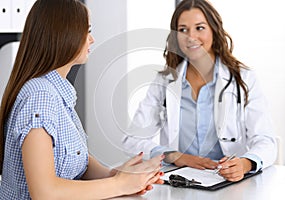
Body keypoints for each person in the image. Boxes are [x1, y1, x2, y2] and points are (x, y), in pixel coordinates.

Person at [0, 0, 164, 199]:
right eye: (87, 31)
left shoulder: (57, 92)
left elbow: (76, 159)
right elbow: (44, 193)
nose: (92, 39)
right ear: (63, 34)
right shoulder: (40, 95)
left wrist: (116, 176)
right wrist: (118, 185)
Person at [122, 0, 277, 182]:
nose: (191, 37)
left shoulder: (243, 78)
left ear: (213, 29)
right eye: (183, 30)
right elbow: (131, 140)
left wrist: (245, 163)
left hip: (228, 183)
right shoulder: (165, 82)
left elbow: (266, 140)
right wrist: (174, 156)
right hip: (180, 181)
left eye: (200, 28)